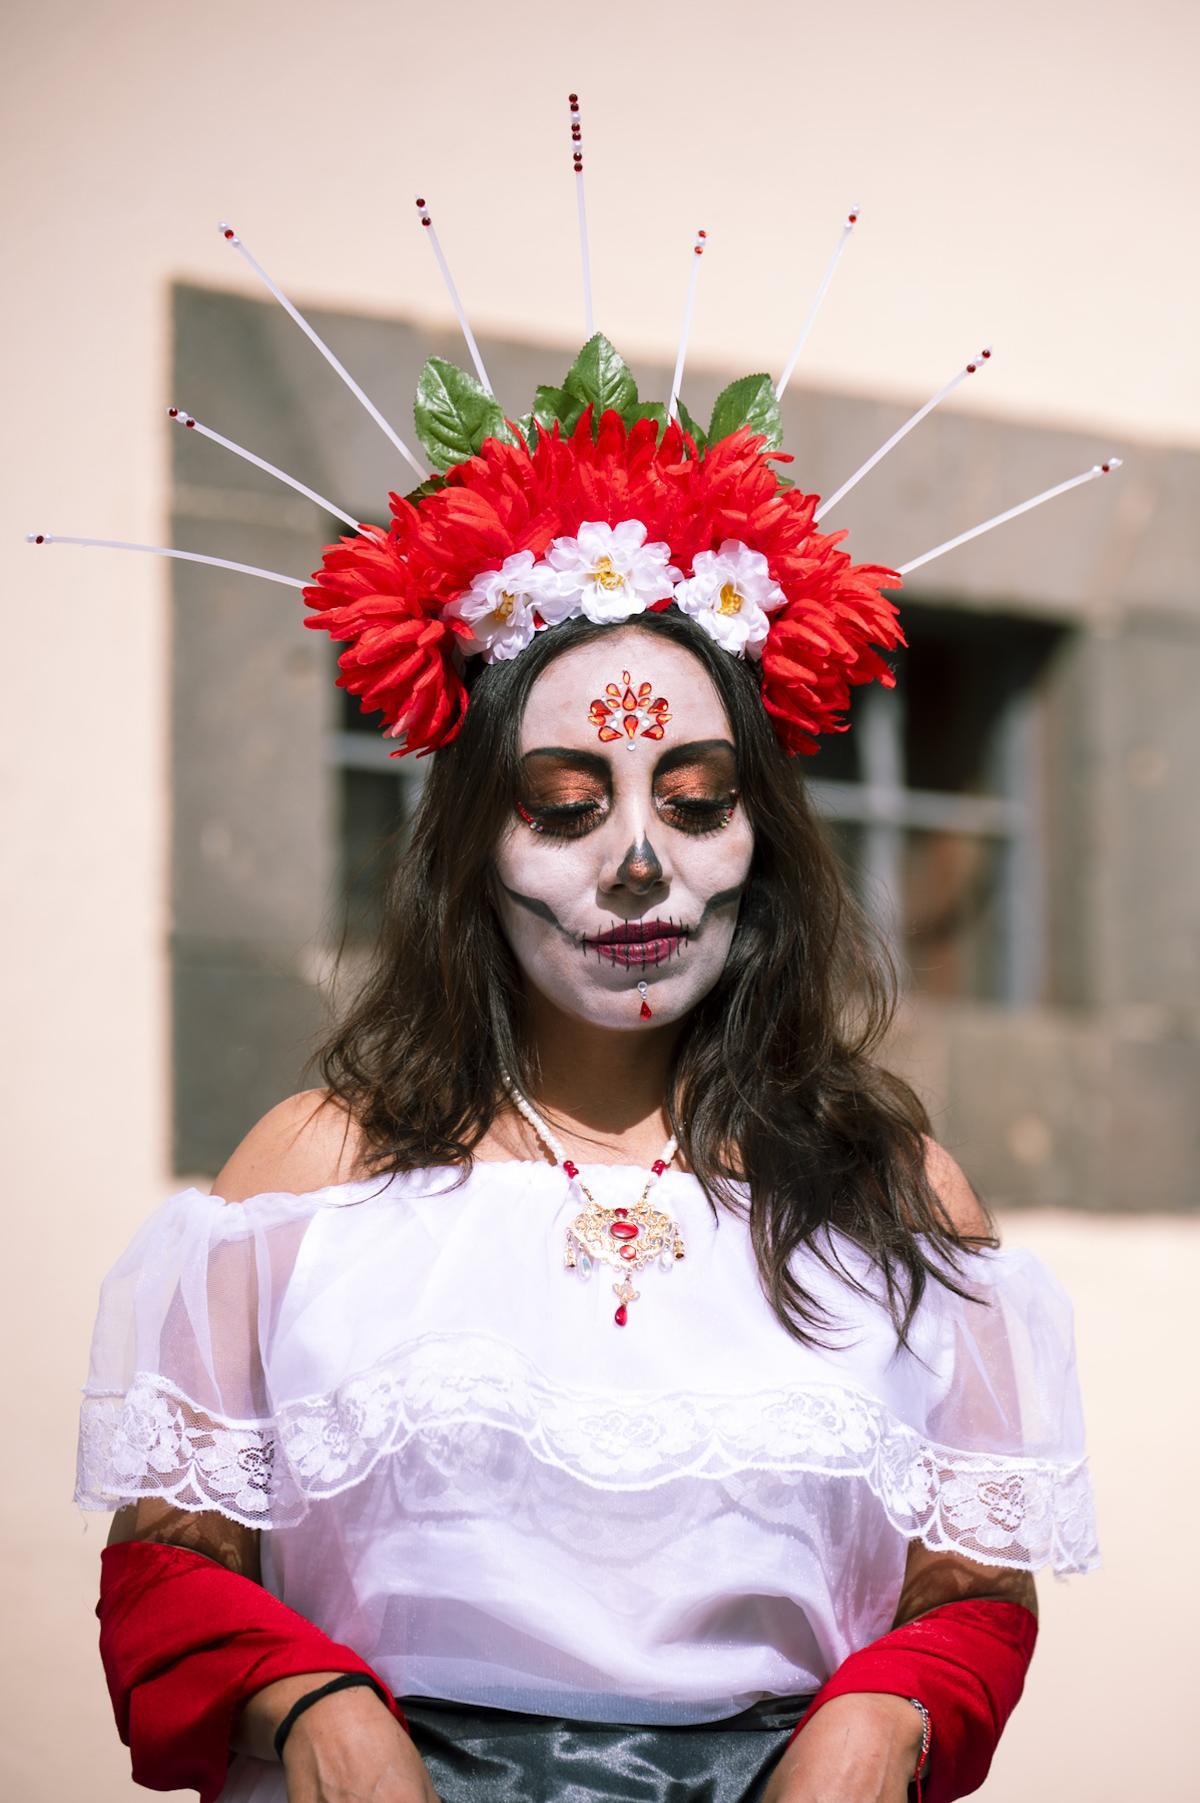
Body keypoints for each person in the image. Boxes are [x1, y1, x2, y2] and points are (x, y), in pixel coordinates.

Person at [75, 343, 1098, 1803]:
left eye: (695, 803)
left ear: (764, 843)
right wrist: (310, 1711)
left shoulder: (897, 1198)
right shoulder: (305, 1179)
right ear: (471, 852)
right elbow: (168, 1583)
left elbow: (970, 1597)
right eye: (564, 809)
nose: (637, 866)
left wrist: (884, 1720)